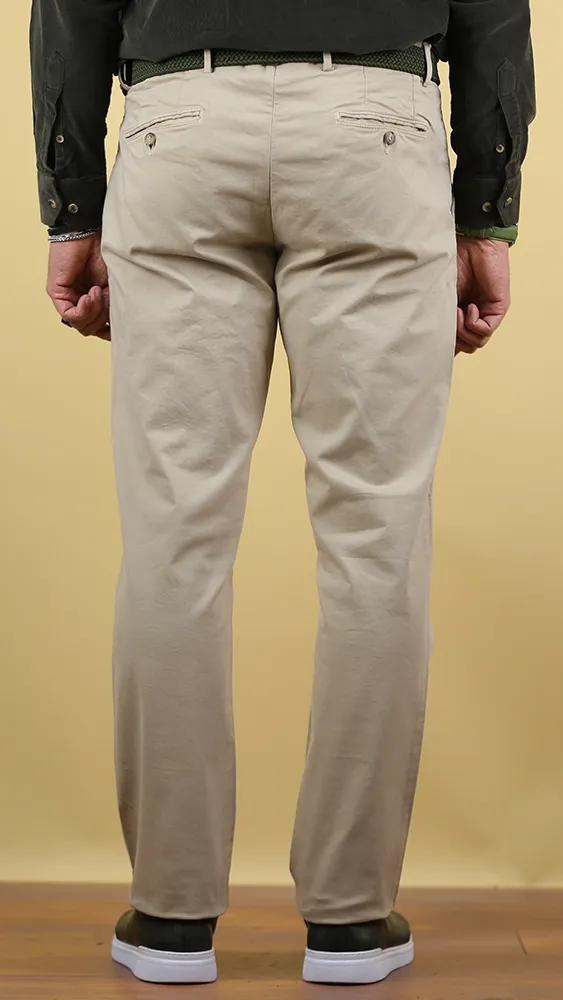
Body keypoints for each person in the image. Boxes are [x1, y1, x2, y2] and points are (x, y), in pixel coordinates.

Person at [29, 0, 535, 987]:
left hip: (180, 127)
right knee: (377, 541)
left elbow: (70, 10)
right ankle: (350, 919)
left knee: (172, 536)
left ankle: (170, 915)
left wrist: (73, 205)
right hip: (374, 129)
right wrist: (485, 210)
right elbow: (490, 12)